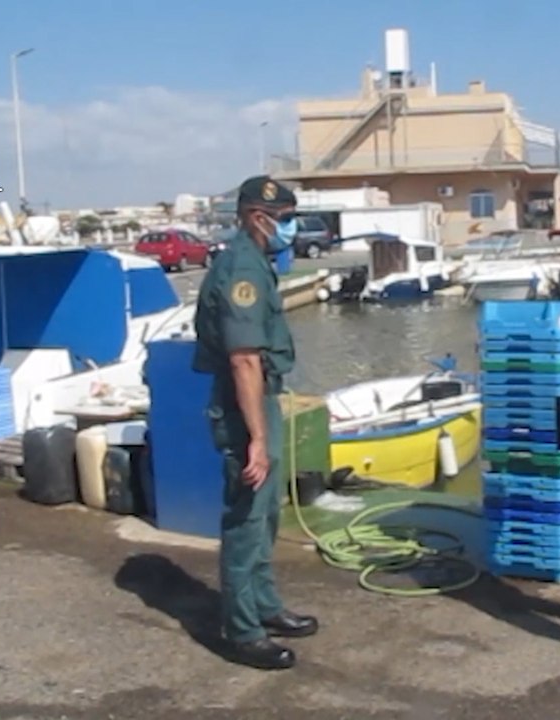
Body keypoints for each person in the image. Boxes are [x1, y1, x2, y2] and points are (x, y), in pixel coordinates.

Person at [192, 175, 317, 671]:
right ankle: (242, 631)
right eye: (286, 219)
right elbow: (243, 358)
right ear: (257, 217)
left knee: (265, 515)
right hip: (243, 405)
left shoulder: (259, 262)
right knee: (246, 520)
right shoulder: (242, 268)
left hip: (260, 398)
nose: (291, 227)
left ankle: (265, 605)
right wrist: (258, 440)